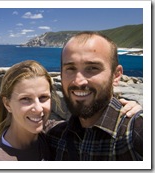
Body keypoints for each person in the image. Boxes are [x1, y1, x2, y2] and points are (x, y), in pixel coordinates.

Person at [0, 60, 142, 161]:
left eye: (43, 98)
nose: (38, 108)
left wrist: (135, 116)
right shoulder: (1, 161)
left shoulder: (50, 132)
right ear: (7, 104)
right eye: (25, 99)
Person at [46, 31, 143, 161]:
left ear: (116, 75)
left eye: (92, 68)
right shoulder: (54, 136)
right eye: (70, 68)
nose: (78, 81)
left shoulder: (136, 132)